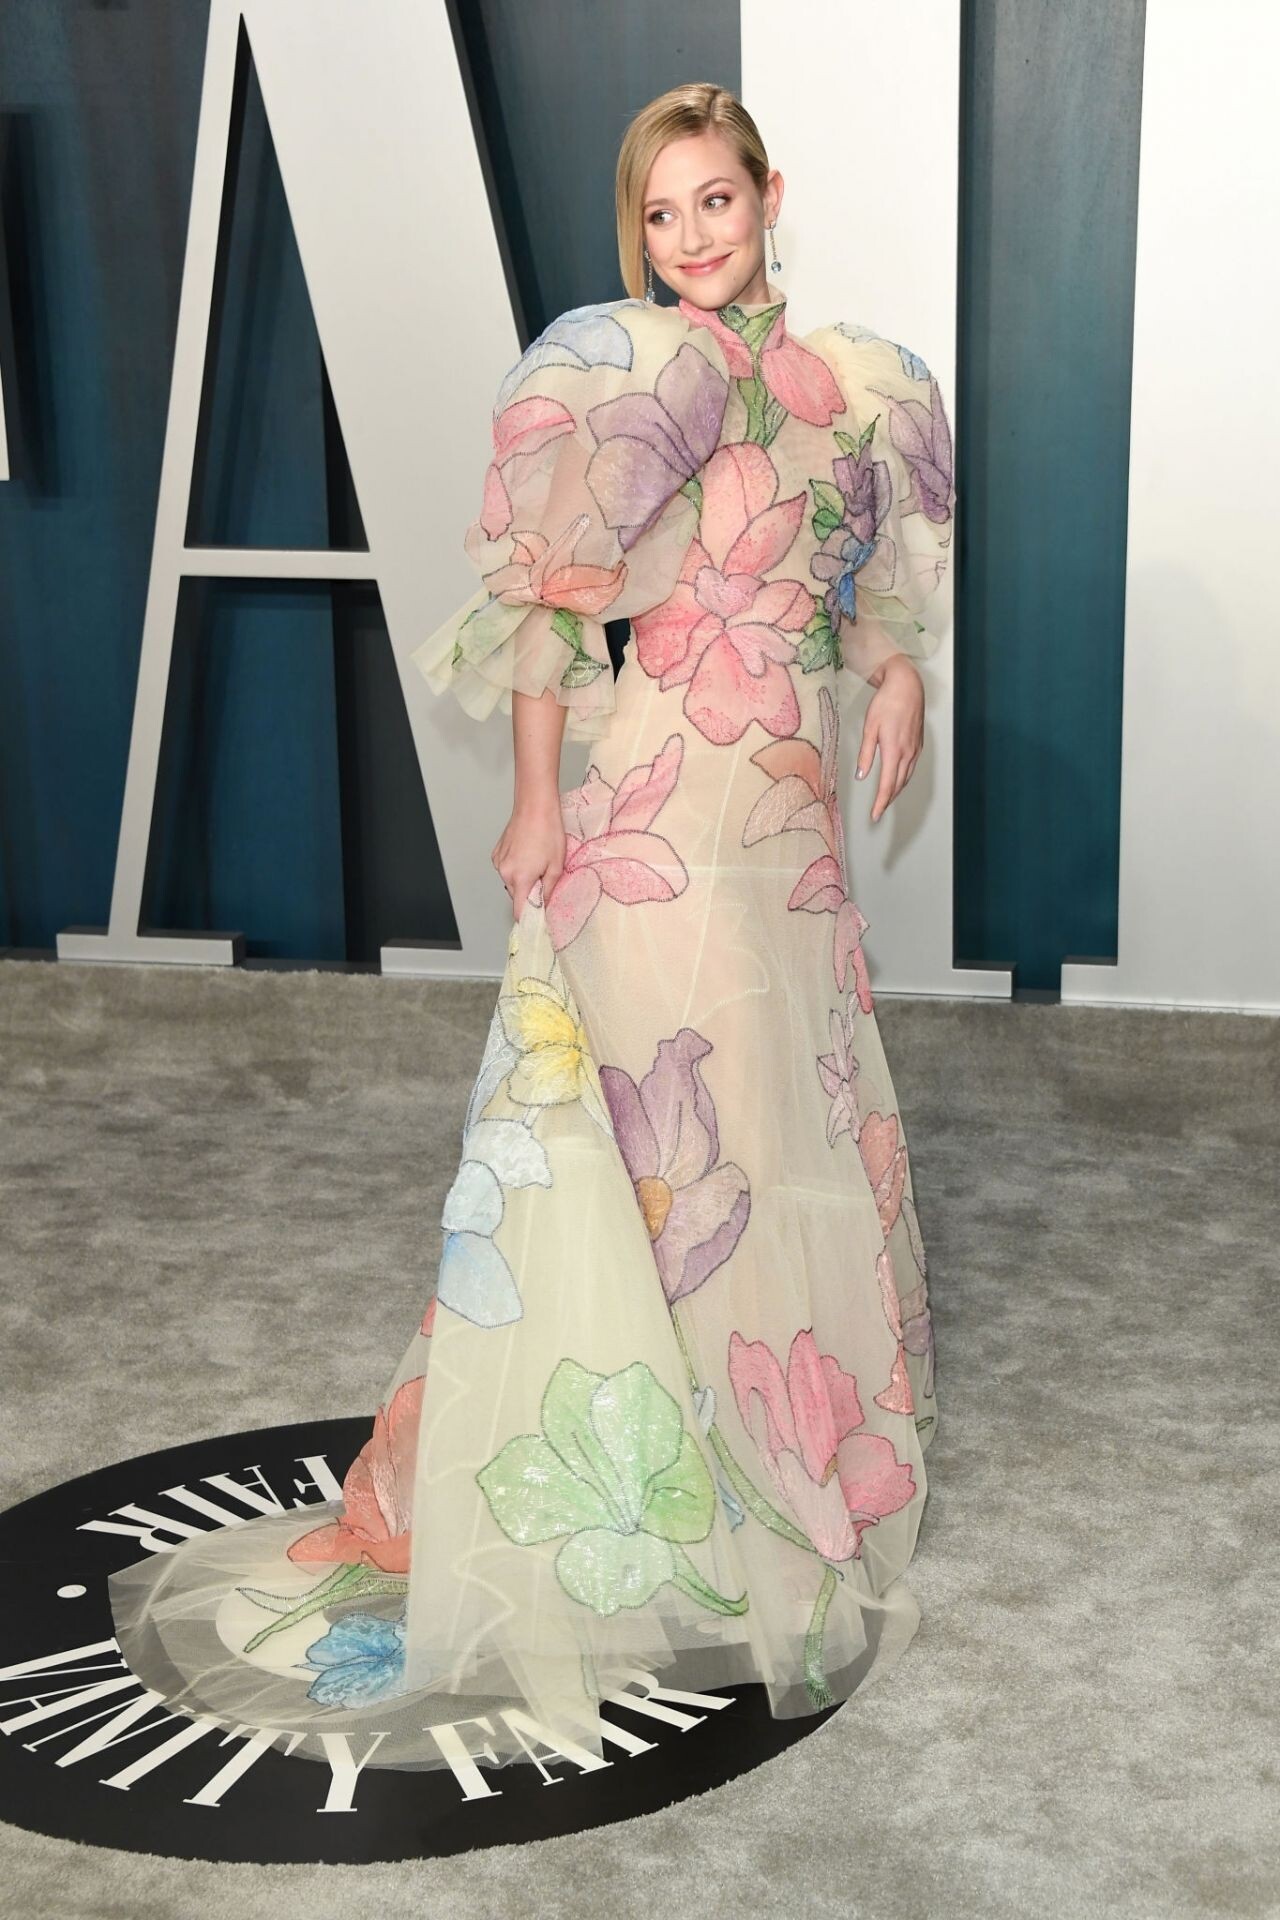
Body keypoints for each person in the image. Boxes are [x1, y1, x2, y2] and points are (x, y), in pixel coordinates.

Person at [108, 82, 954, 1776]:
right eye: (661, 212)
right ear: (636, 230)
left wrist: (896, 679)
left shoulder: (861, 388)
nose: (692, 236)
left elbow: (865, 593)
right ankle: (579, 1499)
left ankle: (746, 1482)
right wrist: (541, 802)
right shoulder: (617, 378)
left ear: (769, 196)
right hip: (657, 806)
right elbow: (551, 612)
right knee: (624, 1137)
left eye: (716, 201)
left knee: (766, 1127)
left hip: (786, 830)